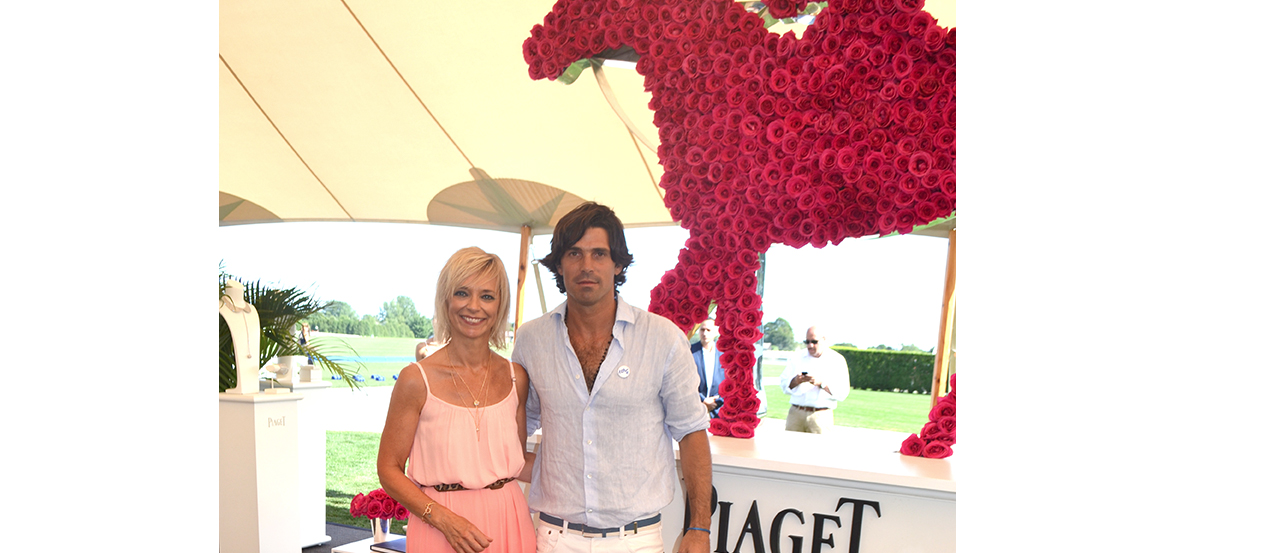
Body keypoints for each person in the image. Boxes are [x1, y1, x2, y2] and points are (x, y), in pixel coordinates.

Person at [512, 202, 713, 553]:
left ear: (618, 263)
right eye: (574, 253)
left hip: (635, 541)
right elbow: (512, 429)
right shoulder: (531, 340)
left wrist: (699, 528)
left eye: (599, 254)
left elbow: (692, 433)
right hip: (553, 538)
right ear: (558, 263)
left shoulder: (662, 338)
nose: (586, 266)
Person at [378, 247, 535, 553]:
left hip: (510, 523)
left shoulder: (517, 378)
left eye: (487, 296)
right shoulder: (415, 380)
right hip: (439, 529)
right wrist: (443, 519)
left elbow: (515, 463)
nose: (474, 307)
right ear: (446, 299)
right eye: (463, 293)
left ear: (500, 305)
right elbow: (388, 468)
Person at [778, 326, 850, 434]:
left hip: (821, 416)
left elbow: (842, 393)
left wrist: (821, 383)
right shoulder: (797, 357)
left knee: (819, 450)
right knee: (790, 449)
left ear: (824, 340)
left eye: (814, 342)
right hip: (796, 413)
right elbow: (784, 384)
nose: (810, 345)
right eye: (807, 341)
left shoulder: (837, 360)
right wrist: (796, 381)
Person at [691, 318, 725, 419]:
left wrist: (716, 401)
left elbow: (729, 382)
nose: (705, 333)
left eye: (708, 330)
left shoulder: (724, 354)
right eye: (702, 330)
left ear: (716, 332)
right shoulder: (690, 351)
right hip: (695, 409)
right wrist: (703, 400)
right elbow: (684, 381)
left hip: (718, 409)